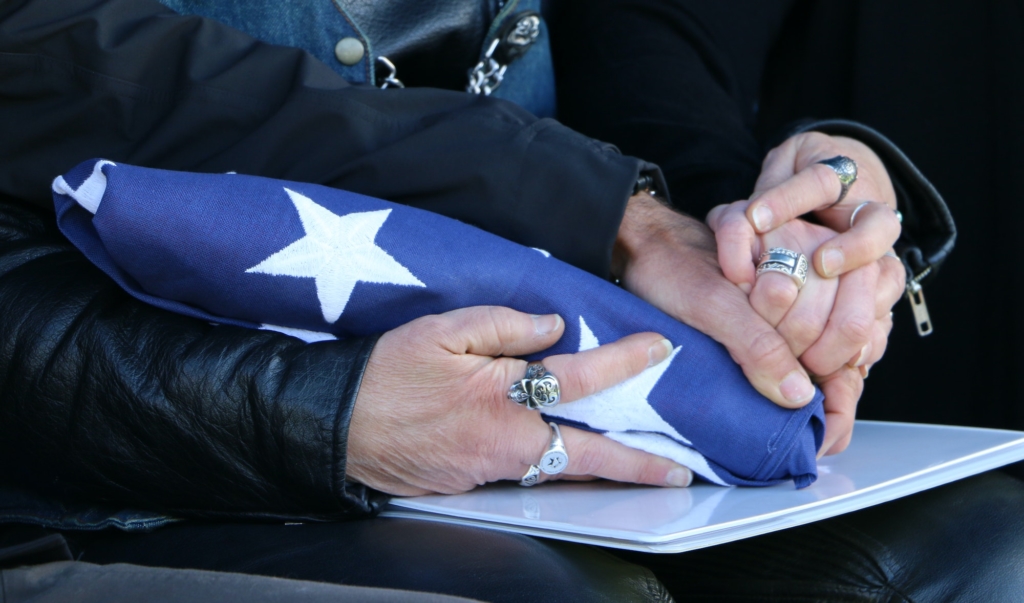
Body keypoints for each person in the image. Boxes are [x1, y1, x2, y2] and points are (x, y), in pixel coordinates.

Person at [1, 0, 1022, 600]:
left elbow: (631, 45)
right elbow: (61, 64)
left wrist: (759, 231)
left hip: (579, 402)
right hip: (156, 411)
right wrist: (317, 409)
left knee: (984, 538)